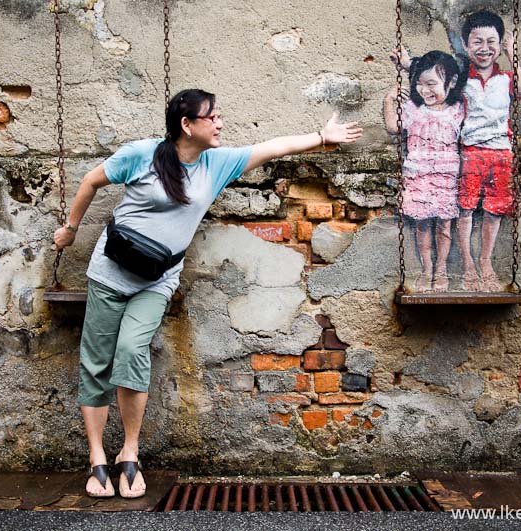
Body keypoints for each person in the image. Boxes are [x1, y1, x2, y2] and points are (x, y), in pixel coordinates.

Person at [53, 89, 362, 499]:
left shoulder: (216, 164)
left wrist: (321, 137)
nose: (220, 123)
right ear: (187, 125)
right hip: (109, 275)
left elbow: (271, 148)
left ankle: (129, 452)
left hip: (156, 281)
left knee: (131, 351)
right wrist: (72, 229)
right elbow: (92, 180)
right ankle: (97, 460)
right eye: (212, 117)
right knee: (95, 364)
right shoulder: (142, 154)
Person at [456, 10, 521, 290]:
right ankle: (468, 264)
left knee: (494, 210)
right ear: (465, 45)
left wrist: (513, 54)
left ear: (499, 45)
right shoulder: (462, 81)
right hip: (471, 151)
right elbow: (432, 81)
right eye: (477, 42)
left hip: (501, 153)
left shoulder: (507, 79)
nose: (484, 49)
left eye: (491, 42)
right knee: (465, 208)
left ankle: (485, 261)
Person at [383, 51, 466, 292]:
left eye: (431, 84)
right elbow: (392, 127)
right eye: (419, 84)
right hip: (418, 176)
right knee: (422, 225)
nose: (424, 90)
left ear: (450, 83)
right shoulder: (413, 108)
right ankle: (426, 270)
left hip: (446, 177)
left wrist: (411, 64)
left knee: (444, 226)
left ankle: (441, 270)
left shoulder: (458, 109)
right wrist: (389, 100)